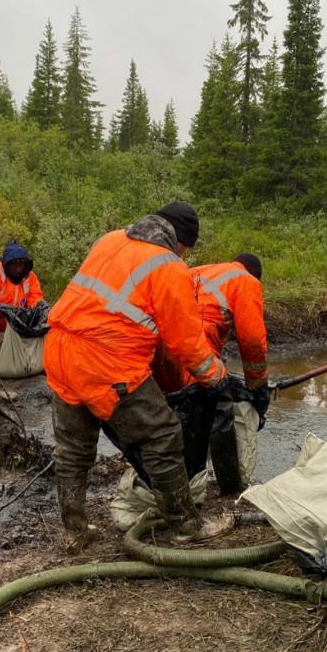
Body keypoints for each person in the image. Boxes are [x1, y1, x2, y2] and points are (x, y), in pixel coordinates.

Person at [44, 201, 233, 551]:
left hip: (59, 349)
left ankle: (75, 531)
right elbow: (187, 343)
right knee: (162, 434)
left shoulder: (111, 239)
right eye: (185, 249)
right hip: (106, 361)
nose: (184, 255)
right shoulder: (169, 266)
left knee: (73, 449)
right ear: (180, 240)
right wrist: (216, 377)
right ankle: (186, 526)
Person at [152, 253, 270, 493]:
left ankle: (166, 481)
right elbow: (252, 341)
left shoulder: (200, 270)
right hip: (194, 348)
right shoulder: (246, 281)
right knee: (219, 410)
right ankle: (228, 486)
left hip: (157, 347)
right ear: (254, 274)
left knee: (173, 414)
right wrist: (258, 389)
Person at [0, 241, 45, 336]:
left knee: (39, 315)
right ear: (7, 264)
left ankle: (25, 347)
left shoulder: (30, 277)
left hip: (19, 321)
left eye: (21, 264)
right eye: (14, 264)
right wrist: (0, 308)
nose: (18, 268)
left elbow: (35, 298)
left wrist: (40, 308)